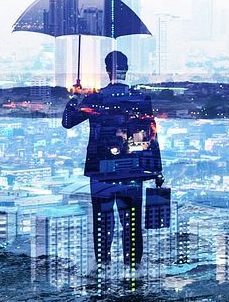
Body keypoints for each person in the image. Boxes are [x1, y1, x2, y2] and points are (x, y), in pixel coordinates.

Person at [62, 50, 163, 269]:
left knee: (102, 224)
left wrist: (76, 96)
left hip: (101, 172)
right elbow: (151, 134)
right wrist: (156, 170)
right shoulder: (141, 98)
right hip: (132, 170)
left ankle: (102, 270)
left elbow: (68, 122)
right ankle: (132, 273)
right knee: (132, 225)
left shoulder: (94, 98)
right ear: (126, 70)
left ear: (107, 71)